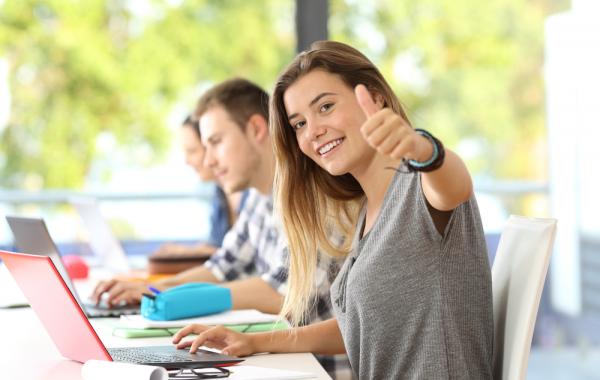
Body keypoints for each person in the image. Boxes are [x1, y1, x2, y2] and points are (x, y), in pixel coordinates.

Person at [171, 41, 494, 379]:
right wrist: (253, 342)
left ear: (375, 97)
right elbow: (356, 329)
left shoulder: (419, 185)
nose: (313, 131)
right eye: (299, 124)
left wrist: (422, 147)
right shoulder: (367, 212)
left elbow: (455, 185)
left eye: (325, 107)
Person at [91, 78, 351, 378]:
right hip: (287, 363)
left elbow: (284, 293)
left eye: (215, 142)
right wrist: (154, 290)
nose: (208, 160)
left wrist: (180, 298)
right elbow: (223, 266)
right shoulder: (257, 197)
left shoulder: (315, 196)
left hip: (321, 372)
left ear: (255, 129)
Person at [149, 115, 247, 263]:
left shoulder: (256, 193)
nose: (187, 161)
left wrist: (187, 252)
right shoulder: (219, 194)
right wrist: (186, 252)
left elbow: (245, 257)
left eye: (192, 151)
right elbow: (219, 247)